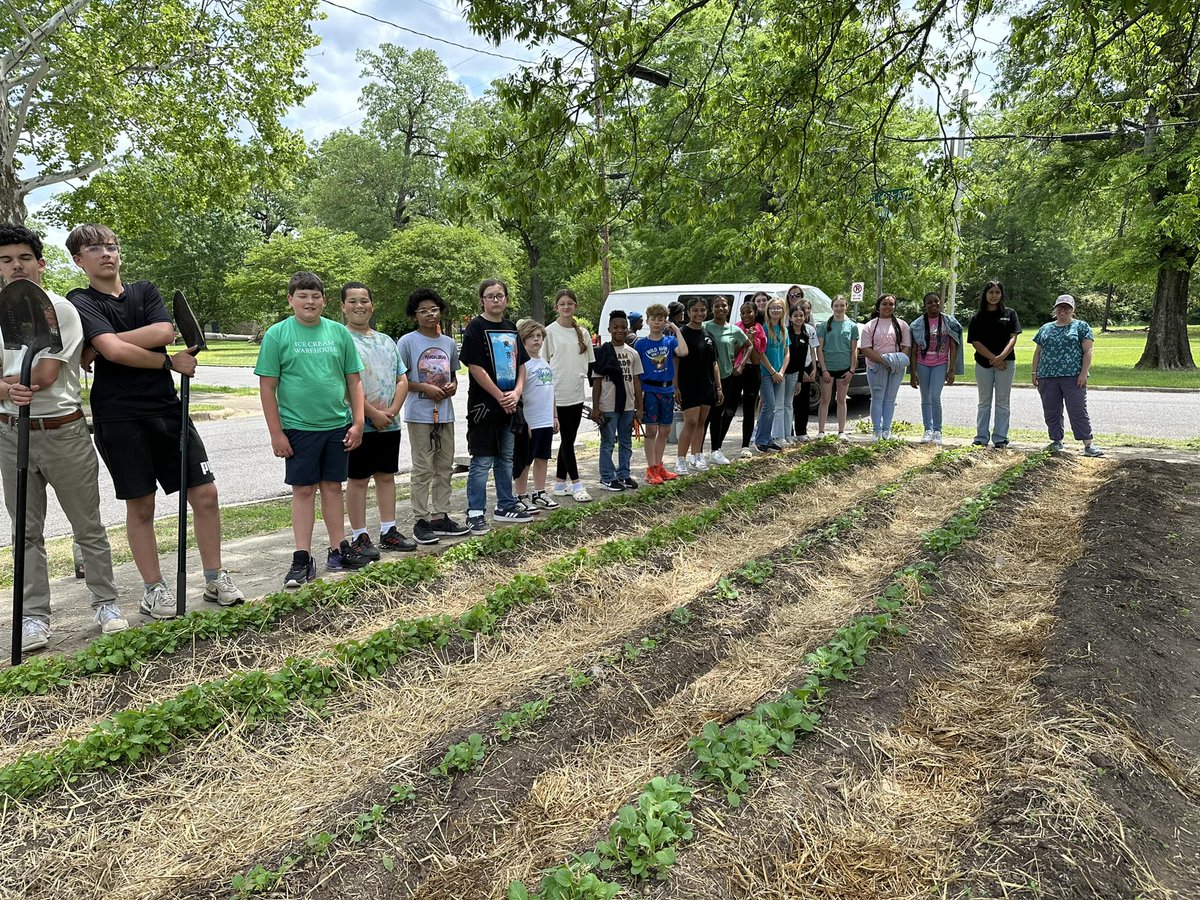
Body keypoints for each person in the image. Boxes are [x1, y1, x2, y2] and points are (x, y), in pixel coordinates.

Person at [66, 223, 244, 616]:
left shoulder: (144, 291)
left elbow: (163, 329)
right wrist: (162, 358)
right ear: (79, 260)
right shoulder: (79, 299)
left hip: (167, 407)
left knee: (206, 494)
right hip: (120, 416)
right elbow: (121, 350)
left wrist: (105, 343)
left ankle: (215, 578)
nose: (107, 253)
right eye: (94, 249)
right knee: (141, 506)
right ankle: (154, 589)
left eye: (112, 245)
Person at [0, 224, 125, 651]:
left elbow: (47, 374)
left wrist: (10, 382)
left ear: (40, 262)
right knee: (26, 532)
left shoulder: (60, 309)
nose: (16, 266)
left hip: (62, 429)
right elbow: (14, 382)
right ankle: (34, 616)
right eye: (6, 259)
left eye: (24, 258)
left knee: (87, 525)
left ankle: (105, 603)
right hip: (11, 433)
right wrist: (5, 389)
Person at [256, 271, 368, 587]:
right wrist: (276, 433)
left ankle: (338, 549)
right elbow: (268, 388)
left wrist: (358, 422)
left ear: (324, 301)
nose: (309, 301)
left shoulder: (338, 333)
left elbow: (353, 381)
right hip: (298, 428)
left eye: (315, 296)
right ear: (290, 300)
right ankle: (302, 558)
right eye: (302, 295)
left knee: (333, 487)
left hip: (337, 425)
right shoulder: (277, 335)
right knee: (304, 490)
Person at [340, 282, 416, 556]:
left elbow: (401, 378)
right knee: (357, 479)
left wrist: (392, 412)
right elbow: (347, 385)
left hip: (390, 423)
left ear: (372, 304)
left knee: (386, 476)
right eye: (352, 301)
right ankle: (360, 535)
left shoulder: (386, 340)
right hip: (358, 424)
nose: (359, 306)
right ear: (343, 306)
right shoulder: (341, 339)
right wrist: (371, 414)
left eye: (364, 301)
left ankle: (388, 530)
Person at [396, 288, 470, 545]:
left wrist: (451, 387)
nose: (430, 314)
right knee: (422, 467)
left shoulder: (448, 343)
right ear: (414, 315)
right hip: (419, 414)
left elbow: (453, 377)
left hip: (445, 414)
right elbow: (401, 379)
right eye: (423, 311)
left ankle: (441, 516)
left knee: (444, 466)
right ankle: (421, 519)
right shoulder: (407, 342)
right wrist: (424, 388)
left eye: (434, 309)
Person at [461, 278, 530, 535]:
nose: (495, 300)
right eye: (490, 296)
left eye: (500, 295)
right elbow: (475, 366)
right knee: (482, 459)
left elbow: (521, 363)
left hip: (510, 406)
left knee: (506, 457)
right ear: (482, 300)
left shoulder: (511, 328)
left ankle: (506, 504)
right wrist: (499, 395)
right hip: (484, 407)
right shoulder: (475, 328)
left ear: (506, 299)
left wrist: (516, 392)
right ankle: (475, 511)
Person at [1032, 294, 1104, 457]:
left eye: (1067, 307)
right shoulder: (1045, 328)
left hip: (1073, 376)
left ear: (1073, 310)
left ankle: (1088, 444)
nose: (1063, 310)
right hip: (1047, 376)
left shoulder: (1081, 327)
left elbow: (1088, 351)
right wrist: (1035, 372)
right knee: (1051, 410)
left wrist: (1083, 373)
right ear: (1055, 309)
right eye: (1060, 307)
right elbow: (1038, 352)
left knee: (1077, 409)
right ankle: (1056, 441)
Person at [543, 289, 594, 503]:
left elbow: (590, 364)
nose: (566, 307)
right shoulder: (548, 332)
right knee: (567, 441)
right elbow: (543, 364)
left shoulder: (582, 333)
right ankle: (577, 484)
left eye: (570, 304)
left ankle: (560, 483)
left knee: (569, 439)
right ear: (556, 307)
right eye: (562, 304)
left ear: (575, 306)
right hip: (557, 394)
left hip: (576, 392)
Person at [634, 303, 688, 484]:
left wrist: (676, 329)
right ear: (647, 321)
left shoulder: (669, 341)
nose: (657, 322)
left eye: (661, 319)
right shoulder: (641, 344)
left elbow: (683, 351)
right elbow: (636, 370)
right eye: (653, 319)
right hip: (649, 388)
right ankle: (651, 469)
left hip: (667, 389)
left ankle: (659, 466)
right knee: (651, 430)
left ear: (665, 321)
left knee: (665, 429)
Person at [592, 310, 643, 490]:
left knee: (626, 441)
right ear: (609, 329)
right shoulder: (602, 353)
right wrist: (596, 407)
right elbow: (596, 382)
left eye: (623, 327)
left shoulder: (632, 353)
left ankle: (624, 474)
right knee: (608, 442)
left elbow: (636, 381)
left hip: (628, 405)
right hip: (608, 405)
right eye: (616, 327)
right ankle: (607, 476)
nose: (619, 330)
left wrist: (640, 406)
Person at [968, 280, 1022, 448]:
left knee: (1002, 402)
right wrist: (994, 358)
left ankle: (1000, 437)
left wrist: (1001, 358)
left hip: (1006, 364)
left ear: (1001, 295)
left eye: (997, 292)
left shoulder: (1010, 313)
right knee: (984, 401)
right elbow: (975, 341)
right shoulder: (977, 317)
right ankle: (981, 437)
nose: (994, 296)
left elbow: (1013, 337)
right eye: (991, 292)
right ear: (985, 295)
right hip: (983, 364)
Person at [674, 296, 722, 474]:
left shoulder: (708, 335)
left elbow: (714, 363)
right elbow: (676, 361)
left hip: (707, 384)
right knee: (691, 421)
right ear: (688, 312)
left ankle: (696, 455)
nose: (699, 313)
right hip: (689, 384)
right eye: (695, 310)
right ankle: (680, 459)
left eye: (702, 310)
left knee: (702, 421)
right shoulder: (682, 333)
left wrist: (718, 387)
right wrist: (675, 386)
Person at [513, 319, 558, 507]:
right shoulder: (523, 364)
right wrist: (525, 423)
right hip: (529, 421)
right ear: (523, 340)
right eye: (531, 337)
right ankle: (521, 495)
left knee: (542, 457)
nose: (536, 340)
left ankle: (539, 492)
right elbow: (520, 396)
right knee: (525, 460)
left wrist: (554, 416)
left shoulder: (544, 362)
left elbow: (551, 391)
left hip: (545, 419)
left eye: (539, 336)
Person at [909, 291, 963, 445]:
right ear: (925, 305)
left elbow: (953, 346)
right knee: (925, 397)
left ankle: (938, 430)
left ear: (941, 303)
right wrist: (913, 374)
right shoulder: (917, 324)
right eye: (930, 302)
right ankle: (928, 429)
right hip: (922, 363)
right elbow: (913, 350)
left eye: (936, 301)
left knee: (934, 396)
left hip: (940, 363)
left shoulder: (949, 322)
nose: (933, 304)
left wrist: (951, 369)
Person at [704, 294, 751, 464]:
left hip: (725, 377)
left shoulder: (734, 330)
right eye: (716, 306)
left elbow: (748, 345)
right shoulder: (704, 327)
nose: (720, 309)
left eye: (723, 305)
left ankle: (715, 450)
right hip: (705, 378)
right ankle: (698, 452)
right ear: (712, 309)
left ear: (729, 308)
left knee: (718, 414)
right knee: (704, 417)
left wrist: (741, 364)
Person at [859, 293, 911, 441]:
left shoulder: (902, 325)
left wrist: (896, 362)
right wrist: (884, 361)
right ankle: (876, 430)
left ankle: (886, 430)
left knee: (890, 399)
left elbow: (906, 347)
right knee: (877, 398)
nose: (888, 307)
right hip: (876, 367)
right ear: (878, 306)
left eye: (891, 304)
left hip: (896, 368)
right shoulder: (870, 326)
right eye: (885, 304)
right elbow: (866, 349)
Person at [816, 294, 860, 440]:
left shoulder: (852, 326)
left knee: (841, 399)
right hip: (828, 368)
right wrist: (824, 369)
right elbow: (819, 349)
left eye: (842, 305)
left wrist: (851, 370)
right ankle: (821, 431)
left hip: (844, 368)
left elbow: (854, 350)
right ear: (832, 307)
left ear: (846, 306)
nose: (839, 308)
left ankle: (841, 431)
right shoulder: (823, 326)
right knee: (825, 399)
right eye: (836, 305)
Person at [754, 298, 789, 452]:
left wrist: (781, 372)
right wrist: (773, 372)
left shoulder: (784, 330)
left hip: (779, 374)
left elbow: (787, 353)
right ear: (768, 310)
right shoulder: (763, 329)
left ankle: (767, 439)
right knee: (769, 405)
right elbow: (760, 353)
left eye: (779, 308)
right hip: (766, 373)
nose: (776, 311)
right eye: (773, 308)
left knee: (774, 408)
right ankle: (760, 439)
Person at [734, 299, 765, 457]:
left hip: (752, 371)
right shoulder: (736, 328)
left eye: (749, 312)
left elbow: (755, 359)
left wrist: (751, 341)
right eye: (743, 313)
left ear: (755, 313)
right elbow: (733, 351)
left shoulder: (759, 329)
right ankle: (716, 446)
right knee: (729, 408)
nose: (746, 316)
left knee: (748, 409)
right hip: (736, 371)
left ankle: (745, 445)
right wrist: (744, 340)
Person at [777, 304, 810, 444]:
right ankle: (779, 436)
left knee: (789, 404)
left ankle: (788, 435)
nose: (798, 318)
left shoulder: (805, 334)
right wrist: (779, 372)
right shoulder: (785, 332)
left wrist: (799, 381)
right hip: (782, 373)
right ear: (790, 317)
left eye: (801, 315)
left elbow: (802, 360)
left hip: (795, 375)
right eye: (795, 316)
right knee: (779, 405)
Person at [792, 299, 818, 441]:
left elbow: (813, 350)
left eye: (805, 311)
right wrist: (802, 373)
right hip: (794, 368)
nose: (801, 316)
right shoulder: (789, 330)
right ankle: (788, 432)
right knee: (791, 402)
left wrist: (814, 368)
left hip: (808, 366)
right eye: (797, 313)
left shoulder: (810, 329)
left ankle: (802, 431)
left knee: (804, 402)